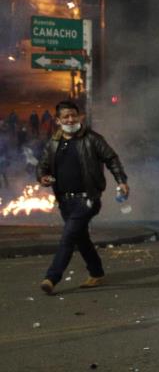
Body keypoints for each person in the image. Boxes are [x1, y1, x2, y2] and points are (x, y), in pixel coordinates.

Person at [36, 100, 129, 295]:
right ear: (58, 120)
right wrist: (42, 177)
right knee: (80, 238)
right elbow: (42, 165)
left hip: (88, 199)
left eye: (73, 115)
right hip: (65, 201)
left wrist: (121, 181)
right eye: (66, 116)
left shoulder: (92, 139)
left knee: (68, 237)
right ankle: (96, 272)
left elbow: (111, 159)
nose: (70, 119)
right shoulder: (54, 142)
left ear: (79, 117)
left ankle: (51, 278)